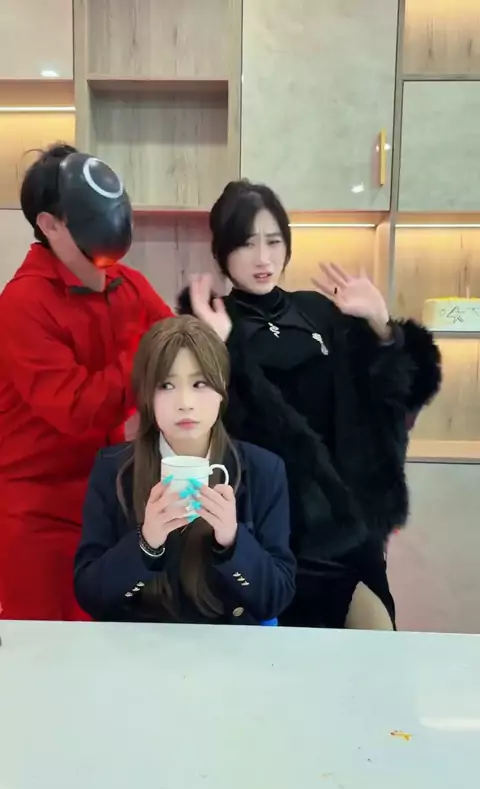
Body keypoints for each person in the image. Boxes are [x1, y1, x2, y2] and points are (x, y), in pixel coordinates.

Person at [178, 180, 442, 630]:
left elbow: (398, 398)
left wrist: (382, 327)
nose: (263, 258)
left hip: (351, 530)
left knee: (378, 652)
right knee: (286, 668)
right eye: (246, 244)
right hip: (272, 534)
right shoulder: (213, 322)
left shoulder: (319, 310)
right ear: (222, 252)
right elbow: (216, 429)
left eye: (273, 241)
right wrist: (220, 351)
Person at [0, 143, 173, 621]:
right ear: (49, 224)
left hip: (108, 501)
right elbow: (79, 408)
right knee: (46, 649)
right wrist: (148, 353)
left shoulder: (126, 283)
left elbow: (172, 343)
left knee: (106, 641)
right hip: (38, 514)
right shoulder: (22, 305)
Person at [74, 316, 296, 624]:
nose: (185, 403)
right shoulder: (114, 468)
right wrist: (146, 543)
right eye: (166, 385)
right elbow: (90, 595)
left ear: (222, 390)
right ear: (146, 396)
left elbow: (276, 597)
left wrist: (232, 541)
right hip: (140, 643)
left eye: (200, 383)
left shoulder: (263, 470)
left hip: (230, 645)